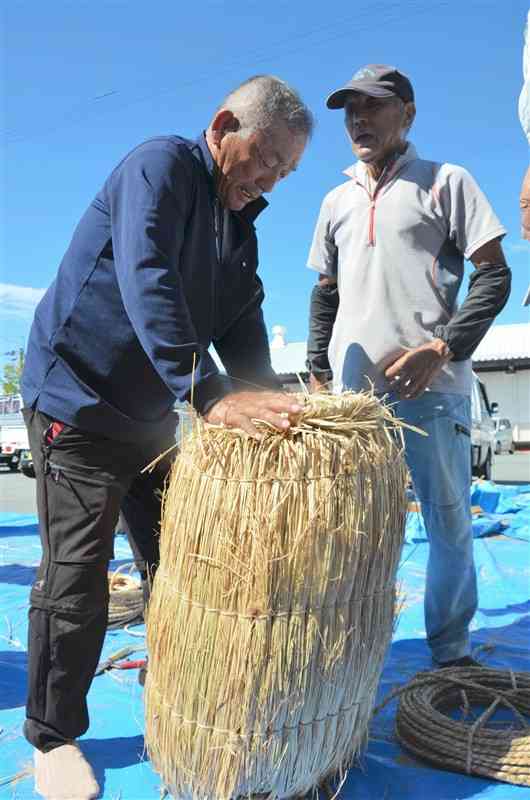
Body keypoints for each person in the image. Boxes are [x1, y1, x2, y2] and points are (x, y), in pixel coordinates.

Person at [21, 75, 313, 800]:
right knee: (78, 573)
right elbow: (147, 277)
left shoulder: (237, 227)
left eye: (286, 172)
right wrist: (207, 393)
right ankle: (53, 734)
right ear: (223, 127)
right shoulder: (159, 168)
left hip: (151, 420)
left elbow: (243, 324)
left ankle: (177, 680)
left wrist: (272, 404)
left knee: (182, 556)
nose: (271, 178)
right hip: (78, 404)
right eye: (267, 158)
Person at [306, 65, 510, 671]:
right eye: (350, 111)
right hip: (354, 400)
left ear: (409, 113)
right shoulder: (336, 198)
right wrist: (317, 368)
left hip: (431, 390)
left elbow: (494, 274)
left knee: (448, 521)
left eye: (374, 106)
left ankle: (449, 650)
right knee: (353, 526)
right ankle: (354, 648)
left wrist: (443, 347)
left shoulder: (446, 182)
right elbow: (326, 291)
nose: (359, 120)